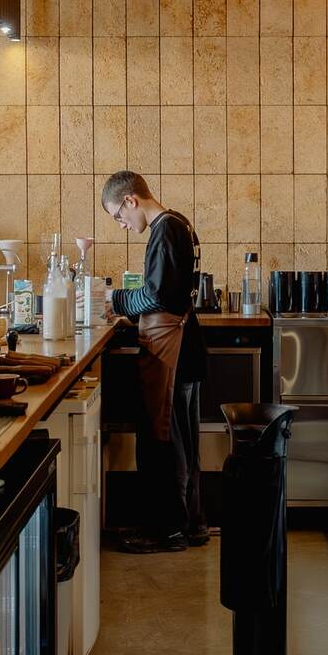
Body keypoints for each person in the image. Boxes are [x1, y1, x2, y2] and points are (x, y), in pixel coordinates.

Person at [102, 170, 209, 554]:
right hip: (183, 348)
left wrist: (115, 301)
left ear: (131, 199)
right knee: (185, 442)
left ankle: (166, 531)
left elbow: (157, 296)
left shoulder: (165, 229)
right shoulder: (180, 223)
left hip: (173, 351)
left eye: (118, 215)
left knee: (165, 441)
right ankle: (192, 524)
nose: (123, 225)